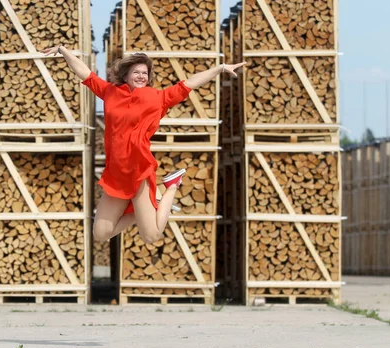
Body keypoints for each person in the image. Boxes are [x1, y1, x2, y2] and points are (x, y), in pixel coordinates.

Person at [42, 45, 245, 244]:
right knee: (101, 234)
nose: (141, 76)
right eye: (136, 72)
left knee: (151, 236)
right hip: (116, 174)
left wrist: (220, 68)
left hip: (138, 172)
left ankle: (171, 186)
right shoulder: (110, 92)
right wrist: (62, 50)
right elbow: (85, 73)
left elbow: (189, 83)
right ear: (126, 75)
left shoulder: (157, 98)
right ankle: (146, 208)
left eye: (145, 73)